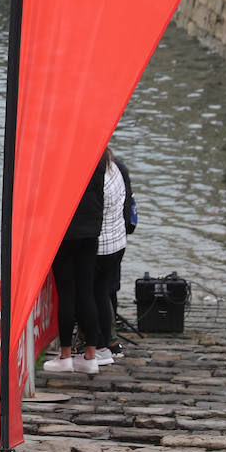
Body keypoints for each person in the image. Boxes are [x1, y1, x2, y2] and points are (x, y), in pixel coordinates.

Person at [43, 157, 106, 374]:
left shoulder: (66, 156)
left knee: (67, 293)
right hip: (91, 231)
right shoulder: (97, 156)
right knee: (87, 292)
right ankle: (90, 356)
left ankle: (66, 355)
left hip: (66, 232)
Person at [93, 147, 135, 365]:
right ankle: (109, 342)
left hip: (104, 243)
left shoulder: (102, 170)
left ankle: (104, 343)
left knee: (101, 292)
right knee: (109, 290)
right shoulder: (118, 168)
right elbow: (127, 206)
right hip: (118, 240)